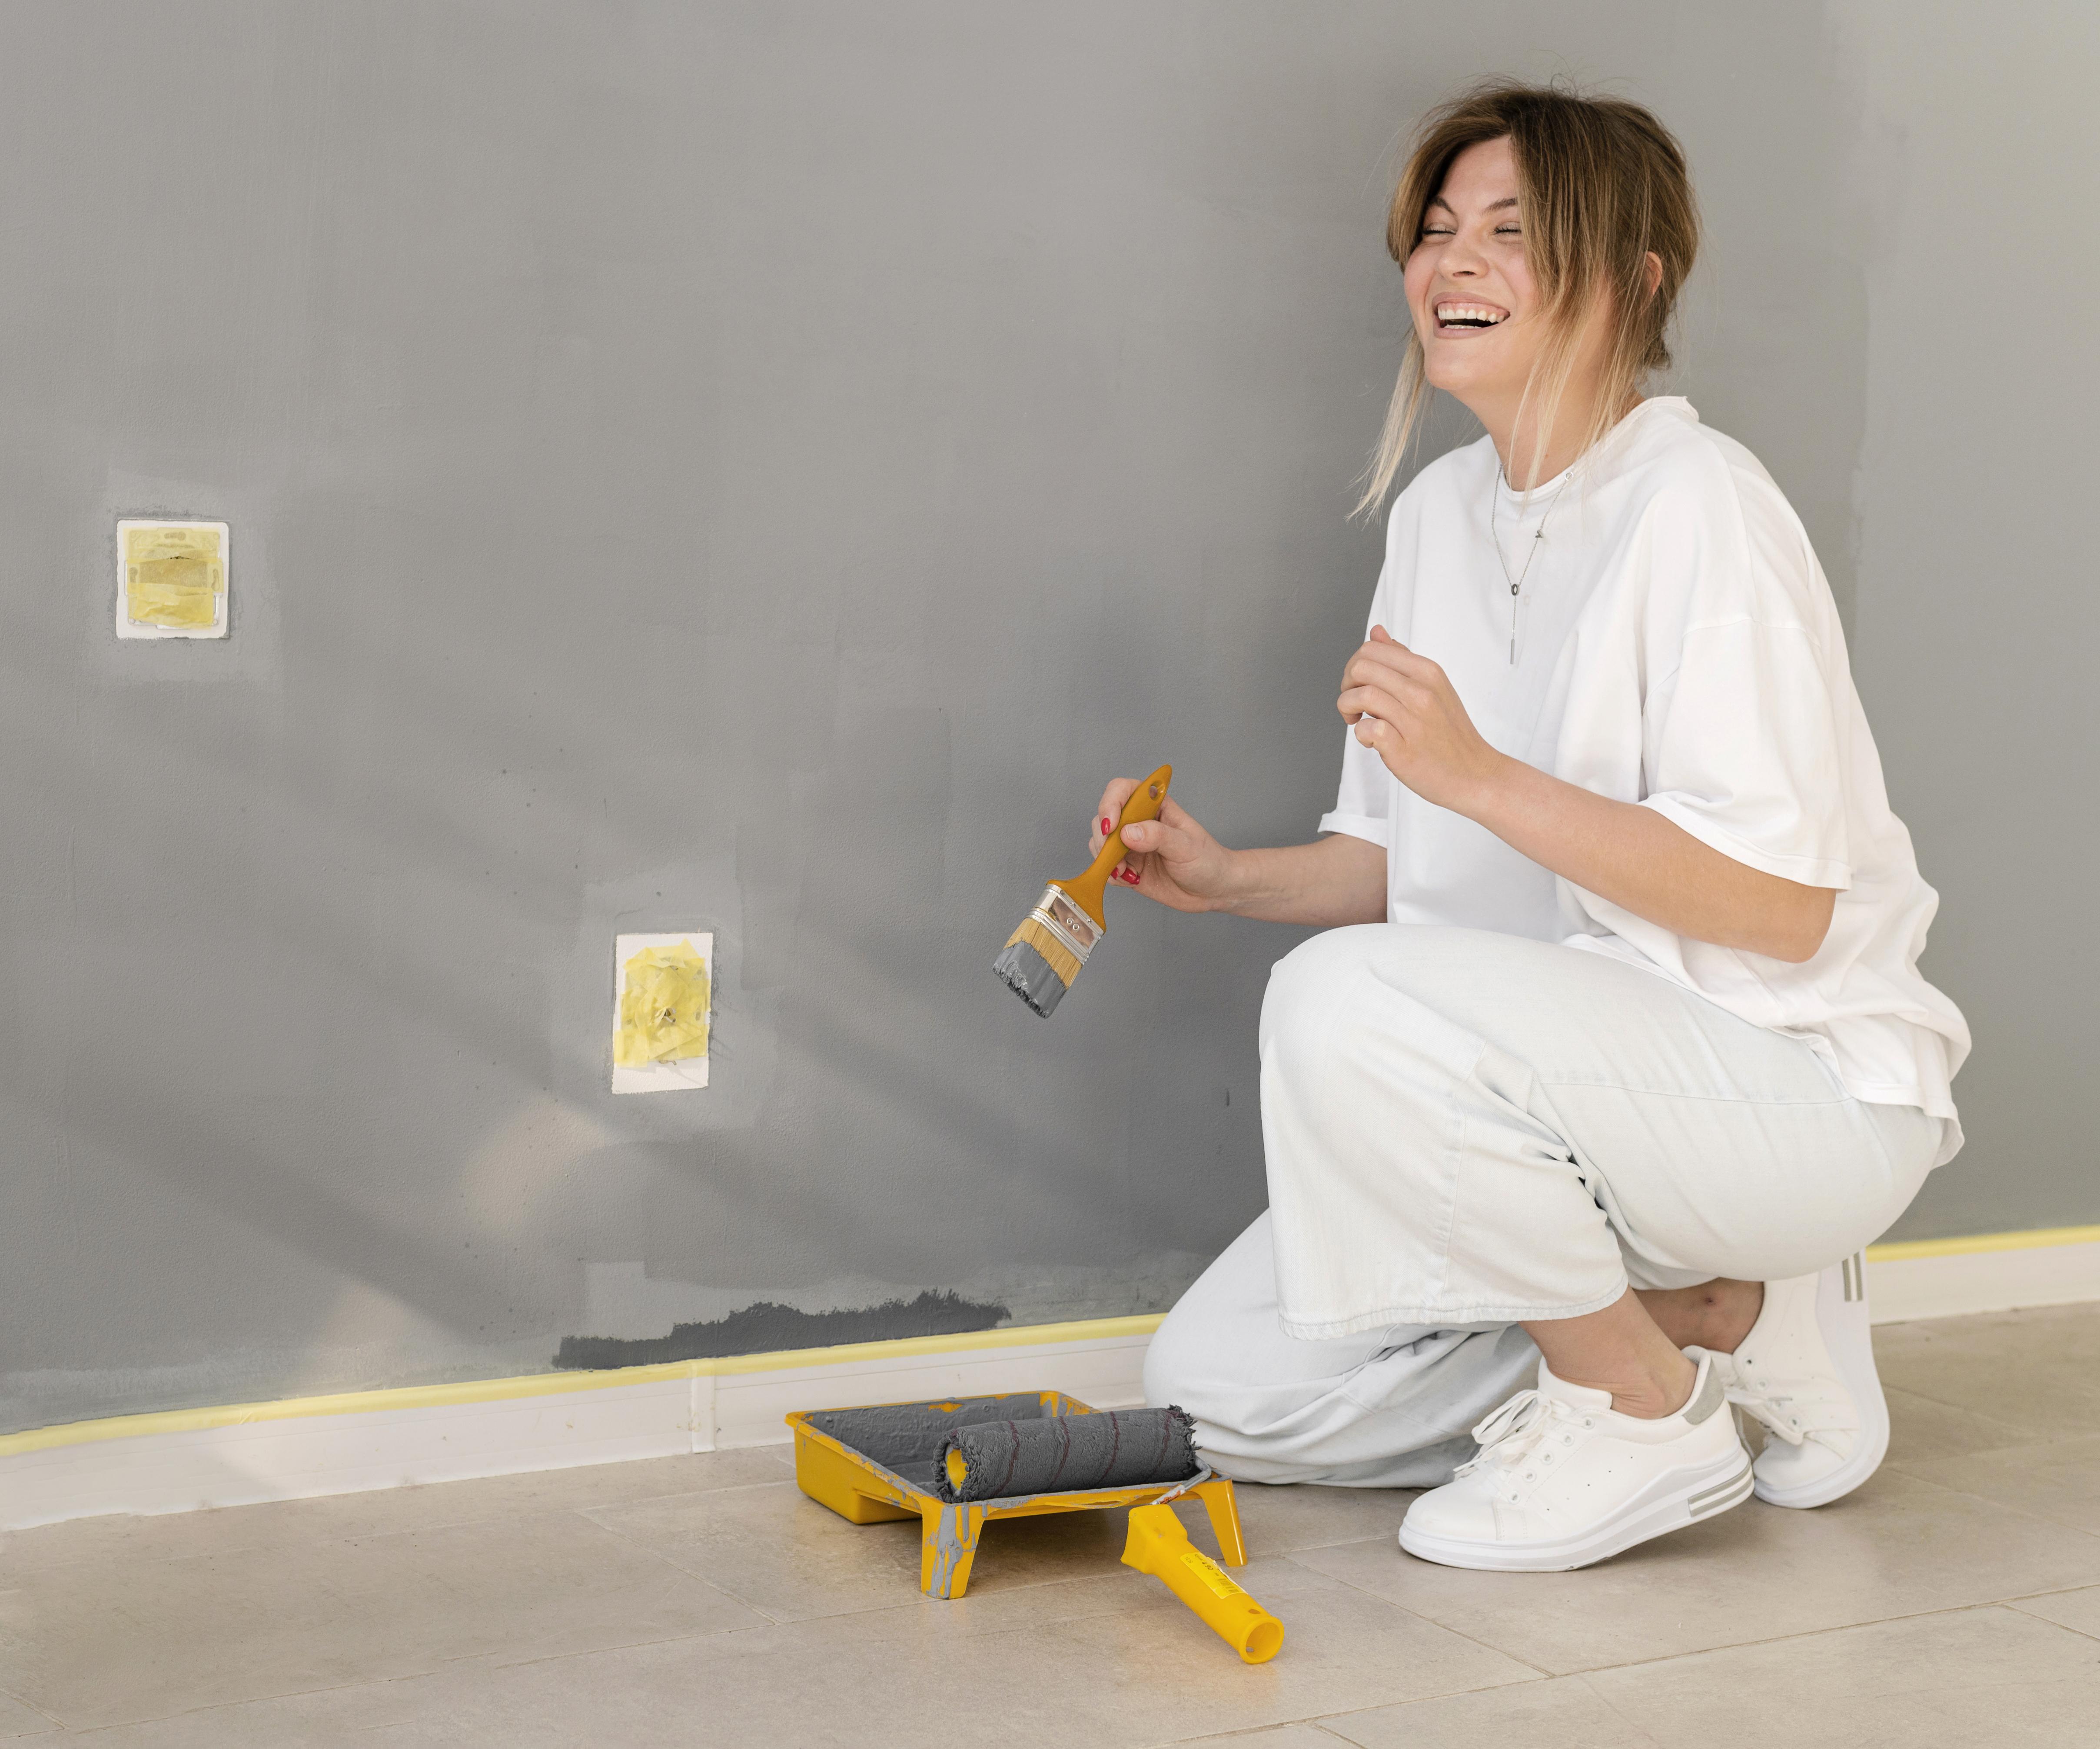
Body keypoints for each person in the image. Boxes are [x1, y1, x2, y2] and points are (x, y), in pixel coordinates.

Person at [1097, 80, 1968, 1573]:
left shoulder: (1702, 505)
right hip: (1578, 1114)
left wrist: (1484, 772)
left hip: (1788, 1095)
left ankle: (1635, 1414)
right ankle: (1723, 1323)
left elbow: (1786, 911)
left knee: (1335, 1008)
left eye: (1510, 231)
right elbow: (1409, 864)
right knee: (1217, 1386)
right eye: (1437, 233)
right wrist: (1230, 878)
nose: (1454, 263)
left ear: (1632, 282)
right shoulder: (1439, 516)